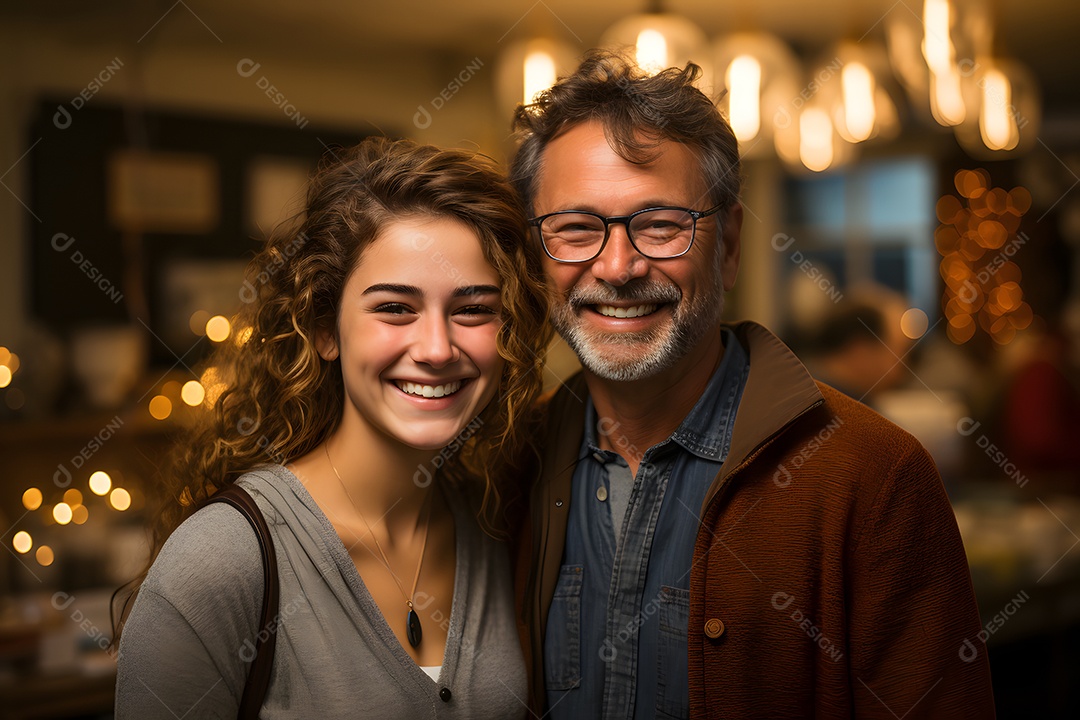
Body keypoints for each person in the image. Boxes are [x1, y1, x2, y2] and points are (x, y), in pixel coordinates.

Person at [509, 50, 995, 718]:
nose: (617, 267)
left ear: (730, 243)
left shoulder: (873, 474)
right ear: (537, 256)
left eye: (659, 225)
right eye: (576, 229)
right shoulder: (508, 464)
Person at [114, 137, 549, 718]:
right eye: (395, 307)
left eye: (473, 309)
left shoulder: (499, 525)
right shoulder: (220, 562)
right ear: (324, 330)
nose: (438, 349)